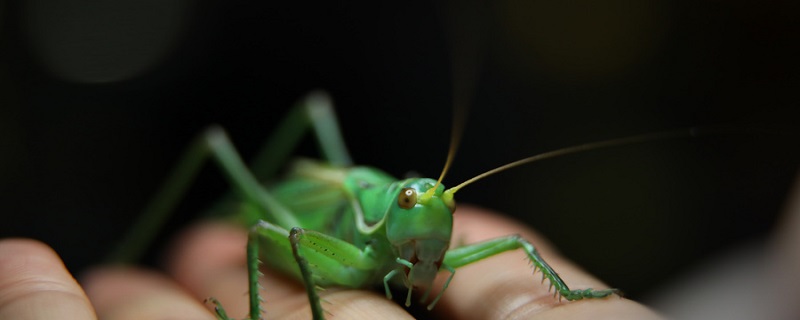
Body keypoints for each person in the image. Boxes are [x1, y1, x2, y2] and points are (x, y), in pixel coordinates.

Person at [0, 206, 663, 319]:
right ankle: (118, 258)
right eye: (417, 205)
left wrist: (571, 302)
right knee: (261, 224)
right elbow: (276, 234)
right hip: (316, 224)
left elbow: (518, 247)